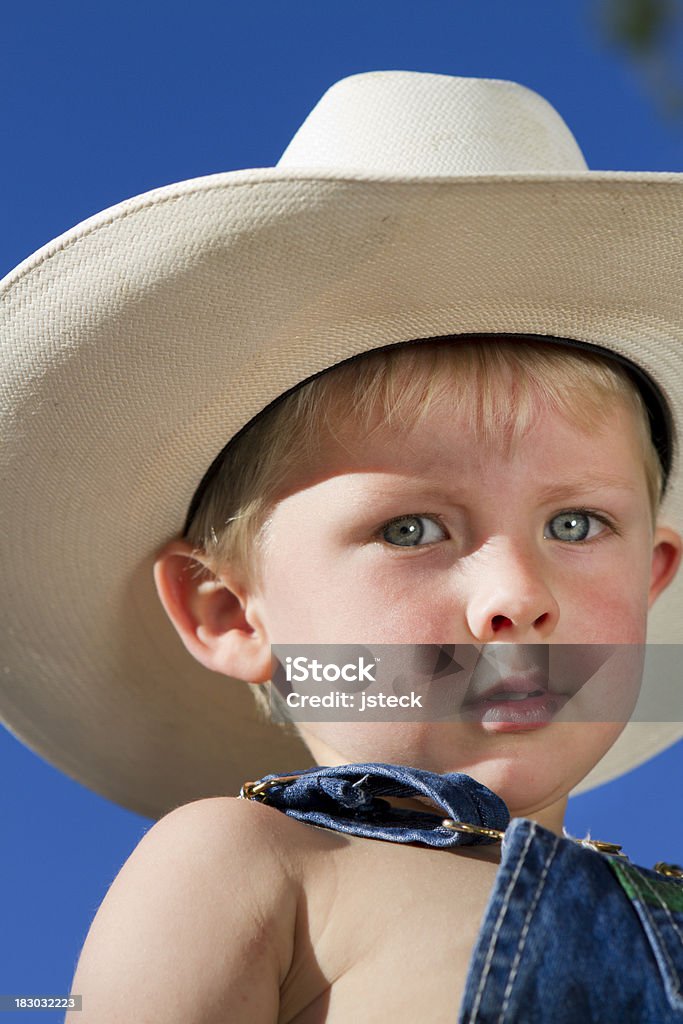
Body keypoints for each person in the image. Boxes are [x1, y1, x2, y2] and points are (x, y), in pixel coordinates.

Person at [2, 71, 683, 1022]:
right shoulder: (259, 870)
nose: (515, 594)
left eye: (574, 525)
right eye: (409, 529)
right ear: (231, 611)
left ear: (651, 580)